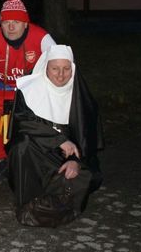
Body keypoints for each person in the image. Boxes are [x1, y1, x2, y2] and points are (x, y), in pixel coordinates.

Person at [6, 45, 103, 227]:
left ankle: (45, 205)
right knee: (21, 146)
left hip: (67, 159)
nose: (60, 75)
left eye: (66, 69)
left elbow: (87, 138)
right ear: (46, 68)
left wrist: (75, 161)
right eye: (55, 69)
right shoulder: (29, 91)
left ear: (73, 69)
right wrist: (59, 140)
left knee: (81, 178)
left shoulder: (82, 98)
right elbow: (23, 122)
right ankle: (27, 203)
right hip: (38, 156)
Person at [0, 0, 56, 184]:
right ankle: (0, 160)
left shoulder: (42, 38)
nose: (10, 27)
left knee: (35, 123)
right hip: (0, 89)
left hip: (31, 90)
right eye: (6, 22)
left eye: (16, 22)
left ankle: (37, 158)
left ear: (25, 23)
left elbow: (60, 64)